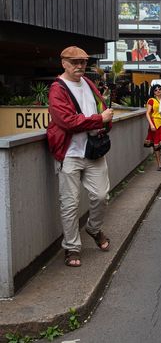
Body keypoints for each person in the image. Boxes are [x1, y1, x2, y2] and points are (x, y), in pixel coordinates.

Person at [47, 46, 115, 268]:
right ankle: (72, 247)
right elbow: (66, 121)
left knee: (101, 195)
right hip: (69, 153)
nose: (80, 66)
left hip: (93, 150)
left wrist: (106, 120)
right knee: (70, 204)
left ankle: (93, 229)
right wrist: (99, 119)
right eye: (74, 62)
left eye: (83, 62)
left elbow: (101, 108)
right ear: (63, 63)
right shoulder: (58, 89)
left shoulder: (88, 83)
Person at [145, 84, 161, 170]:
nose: (158, 91)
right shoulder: (151, 100)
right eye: (156, 90)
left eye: (159, 89)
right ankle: (159, 164)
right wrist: (151, 124)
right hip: (155, 123)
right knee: (156, 145)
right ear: (153, 92)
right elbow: (147, 113)